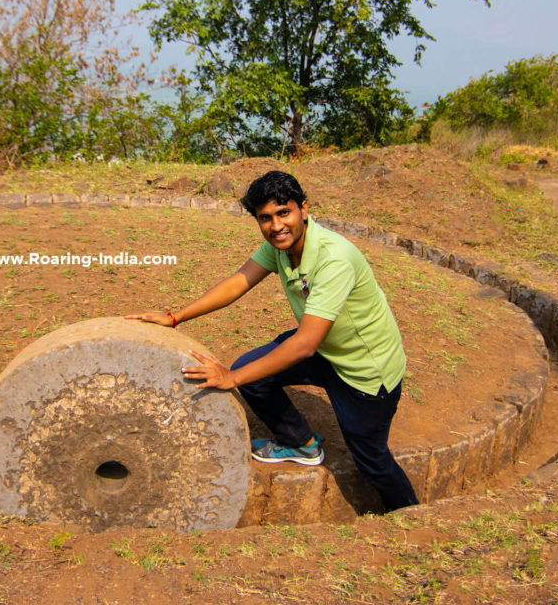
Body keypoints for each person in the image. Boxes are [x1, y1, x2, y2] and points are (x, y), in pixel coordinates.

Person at [126, 171, 418, 511]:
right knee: (254, 374)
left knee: (373, 462)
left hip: (366, 372)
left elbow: (304, 344)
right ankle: (302, 445)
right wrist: (176, 317)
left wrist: (231, 378)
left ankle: (409, 515)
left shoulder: (334, 258)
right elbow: (238, 282)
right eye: (265, 218)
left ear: (303, 210)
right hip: (327, 349)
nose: (276, 225)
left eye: (284, 213)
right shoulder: (280, 248)